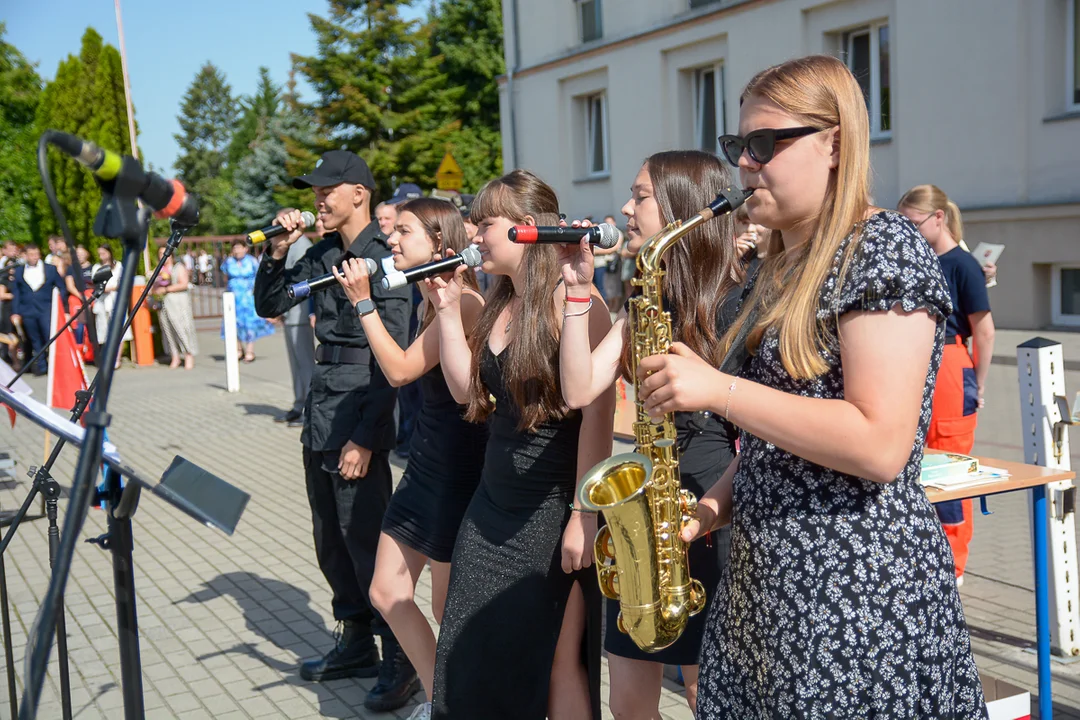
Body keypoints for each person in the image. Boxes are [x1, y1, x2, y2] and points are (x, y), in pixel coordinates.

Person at [639, 55, 986, 717]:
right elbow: (782, 441)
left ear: (834, 143)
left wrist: (716, 390)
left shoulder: (881, 247)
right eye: (739, 145)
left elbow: (880, 445)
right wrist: (708, 511)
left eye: (766, 143)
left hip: (854, 607)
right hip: (770, 599)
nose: (745, 163)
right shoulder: (785, 261)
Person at [557, 151, 740, 718]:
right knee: (629, 703)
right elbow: (579, 388)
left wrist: (710, 509)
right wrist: (576, 292)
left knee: (701, 692)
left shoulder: (739, 303)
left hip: (708, 505)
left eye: (639, 196)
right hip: (650, 497)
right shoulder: (643, 299)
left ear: (681, 207)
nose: (625, 207)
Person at [427, 170, 612, 720]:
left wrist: (584, 514)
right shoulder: (497, 300)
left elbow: (598, 417)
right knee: (475, 650)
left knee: (555, 659)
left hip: (551, 510)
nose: (475, 234)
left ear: (527, 229)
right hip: (491, 506)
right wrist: (442, 309)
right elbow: (467, 391)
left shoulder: (578, 302)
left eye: (486, 223)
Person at [253, 150, 414, 710]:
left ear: (359, 194)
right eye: (314, 190)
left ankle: (400, 655)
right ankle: (354, 640)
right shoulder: (322, 252)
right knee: (330, 537)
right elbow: (271, 303)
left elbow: (388, 354)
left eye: (328, 189)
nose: (318, 199)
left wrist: (366, 438)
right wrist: (277, 250)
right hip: (323, 406)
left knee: (367, 540)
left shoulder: (385, 256)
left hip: (360, 407)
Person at [332, 197, 488, 720]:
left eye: (403, 231)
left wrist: (363, 302)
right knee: (387, 590)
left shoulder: (463, 303)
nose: (391, 240)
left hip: (454, 471)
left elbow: (399, 371)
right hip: (425, 464)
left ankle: (456, 702)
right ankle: (439, 697)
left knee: (447, 608)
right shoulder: (430, 299)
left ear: (439, 244)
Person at [899, 184, 996, 585]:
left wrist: (981, 385)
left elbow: (984, 331)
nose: (907, 233)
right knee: (919, 462)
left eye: (913, 223)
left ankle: (953, 568)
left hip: (952, 366)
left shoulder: (963, 264)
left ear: (938, 218)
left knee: (951, 469)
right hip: (919, 362)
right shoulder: (919, 260)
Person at [276, 219, 317, 427]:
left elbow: (304, 283)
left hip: (299, 315)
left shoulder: (303, 246)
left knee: (305, 364)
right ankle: (298, 404)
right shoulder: (291, 244)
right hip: (289, 314)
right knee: (295, 364)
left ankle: (308, 410)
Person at [11, 244, 67, 376]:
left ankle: (55, 364)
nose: (34, 257)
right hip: (28, 310)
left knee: (49, 336)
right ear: (26, 256)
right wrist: (15, 312)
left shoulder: (50, 269)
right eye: (31, 255)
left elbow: (61, 287)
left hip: (46, 308)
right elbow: (17, 292)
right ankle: (42, 366)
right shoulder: (19, 271)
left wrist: (59, 305)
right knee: (34, 338)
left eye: (36, 254)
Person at [221, 239, 274, 363]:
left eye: (239, 248)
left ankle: (250, 350)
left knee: (250, 323)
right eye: (235, 248)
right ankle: (239, 349)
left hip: (248, 297)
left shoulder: (252, 261)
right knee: (234, 323)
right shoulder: (228, 262)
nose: (237, 251)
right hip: (234, 297)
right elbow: (225, 277)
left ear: (245, 248)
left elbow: (259, 277)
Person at [155, 247, 198, 370]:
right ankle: (175, 355)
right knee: (168, 329)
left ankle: (188, 354)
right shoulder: (160, 269)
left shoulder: (178, 267)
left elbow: (184, 284)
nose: (163, 256)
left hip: (178, 303)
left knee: (182, 328)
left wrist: (166, 289)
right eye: (160, 253)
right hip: (165, 303)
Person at [91, 244, 133, 367]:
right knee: (104, 331)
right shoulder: (96, 267)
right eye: (99, 254)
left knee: (119, 330)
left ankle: (117, 359)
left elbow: (123, 282)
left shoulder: (119, 266)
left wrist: (110, 288)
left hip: (115, 301)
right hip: (102, 302)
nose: (101, 256)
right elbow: (96, 284)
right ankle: (107, 358)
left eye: (103, 253)